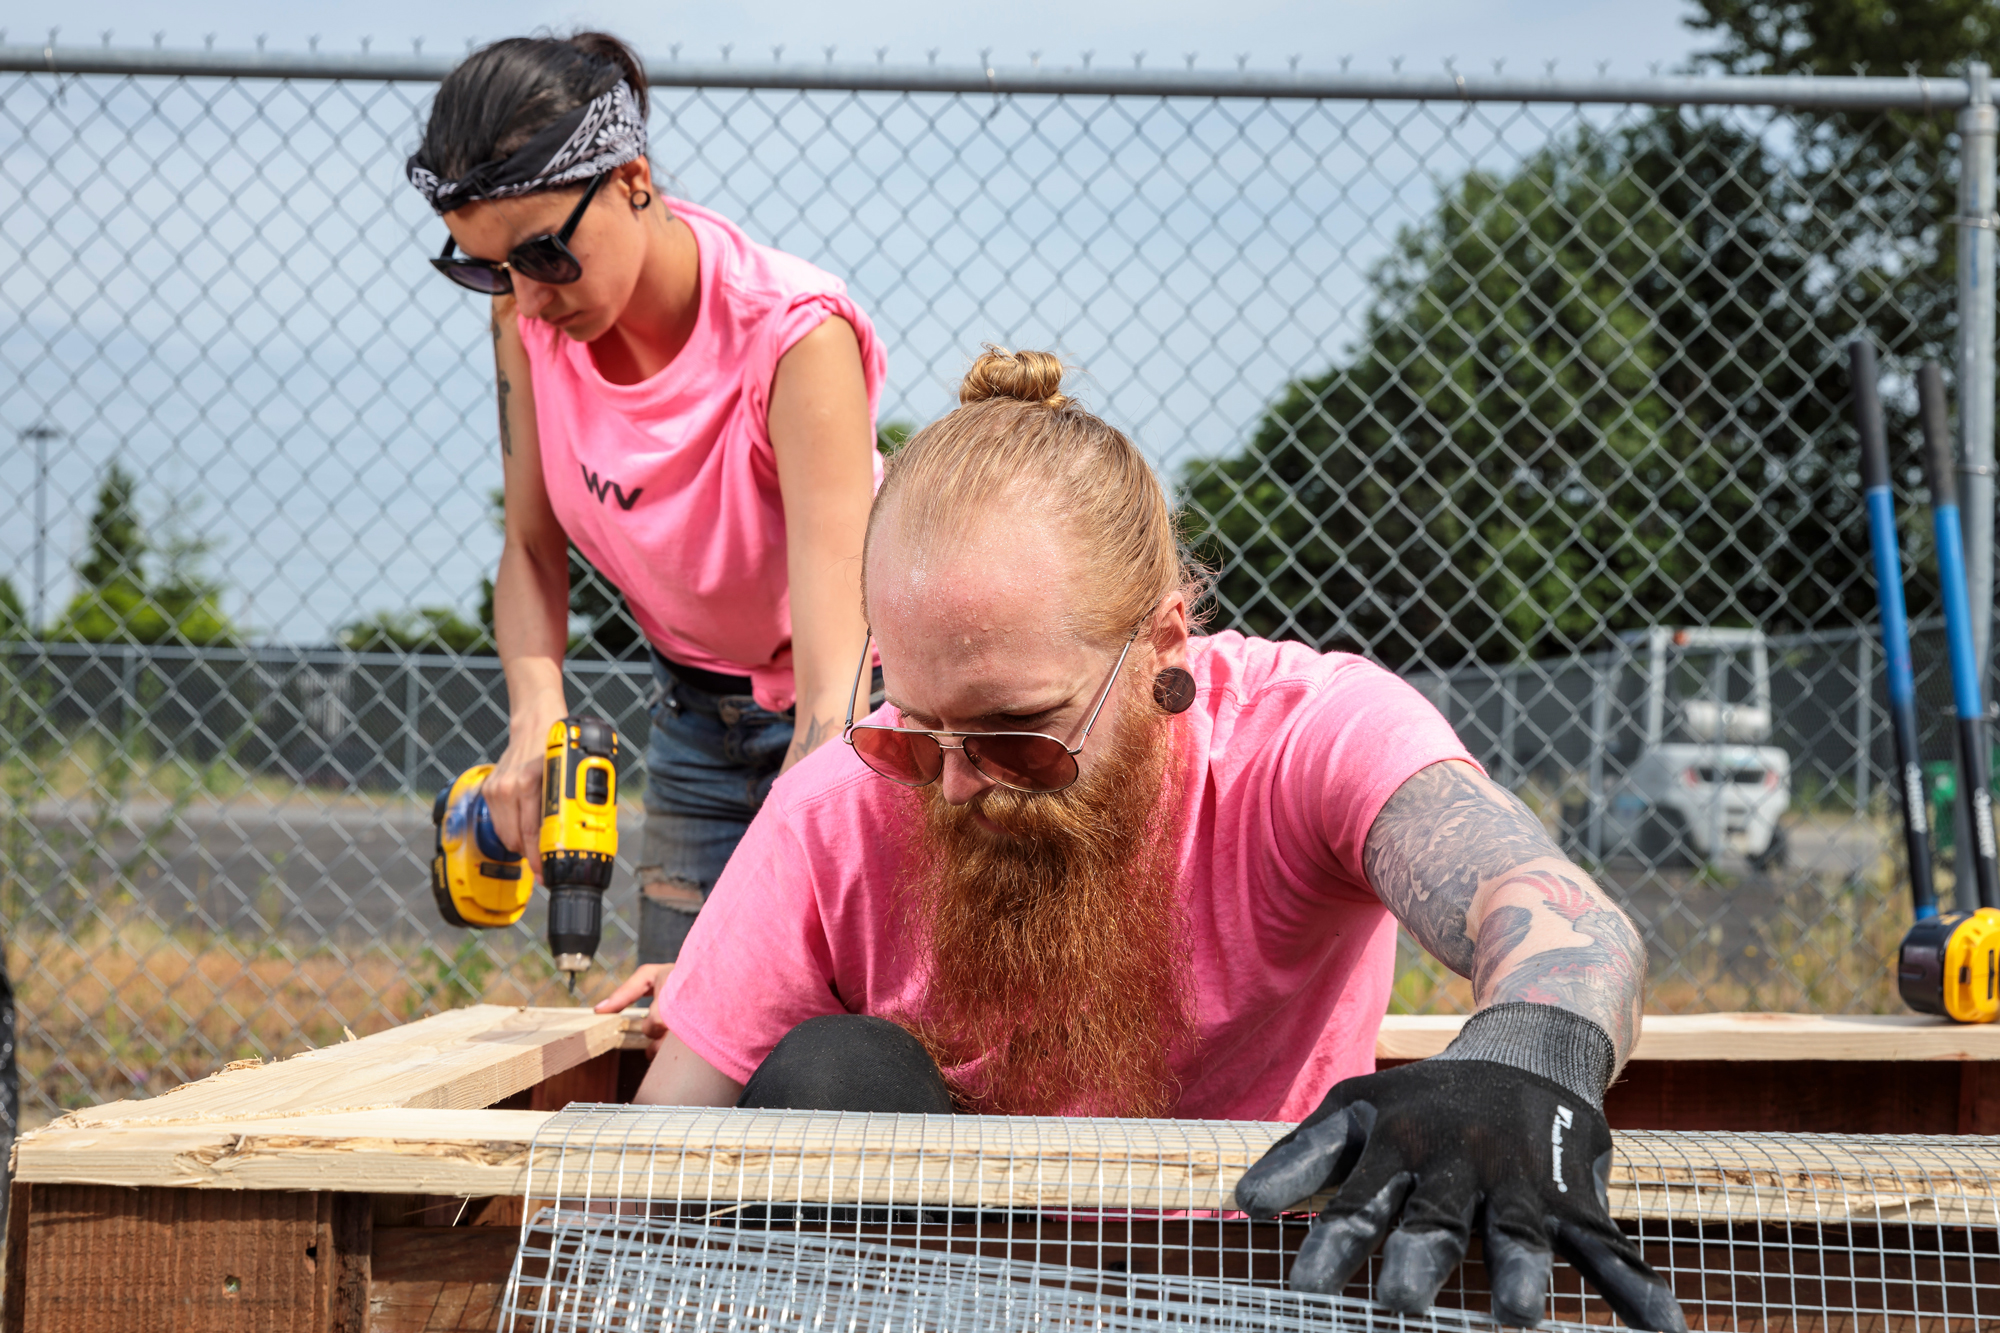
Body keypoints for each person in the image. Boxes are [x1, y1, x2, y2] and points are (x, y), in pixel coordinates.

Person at [595, 347, 1685, 1331]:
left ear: (1163, 638)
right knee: (831, 1072)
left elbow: (1556, 914)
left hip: (1252, 1289)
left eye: (1016, 731)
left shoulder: (1303, 736)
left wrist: (1520, 1057)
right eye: (917, 727)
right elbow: (651, 1165)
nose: (960, 782)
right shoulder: (841, 802)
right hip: (946, 1299)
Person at [406, 32, 884, 960]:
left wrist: (759, 918)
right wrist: (534, 721)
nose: (526, 301)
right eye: (484, 269)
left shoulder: (792, 338)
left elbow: (836, 691)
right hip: (695, 723)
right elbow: (533, 550)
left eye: (545, 254)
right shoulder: (528, 316)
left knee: (823, 1041)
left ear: (631, 177)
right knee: (677, 1064)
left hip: (857, 720)